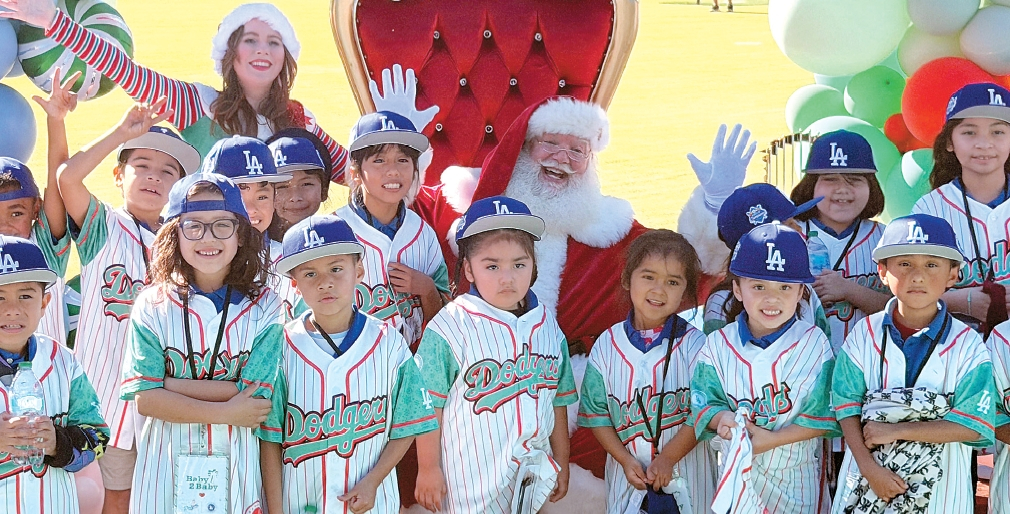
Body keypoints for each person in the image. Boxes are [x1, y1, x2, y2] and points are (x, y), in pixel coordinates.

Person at [1, 1, 350, 180]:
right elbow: (125, 70)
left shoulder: (299, 121)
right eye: (250, 40)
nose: (262, 50)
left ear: (285, 57)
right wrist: (53, 22)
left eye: (274, 42)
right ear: (231, 53)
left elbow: (351, 171)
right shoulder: (197, 104)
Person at [57, 100, 201, 512]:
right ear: (119, 175)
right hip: (100, 401)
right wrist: (121, 133)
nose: (154, 176)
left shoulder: (189, 244)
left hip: (161, 401)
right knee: (106, 499)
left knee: (156, 498)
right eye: (142, 165)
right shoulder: (106, 225)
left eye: (168, 170)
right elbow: (68, 178)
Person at [120, 173, 283, 513]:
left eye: (222, 225)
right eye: (193, 226)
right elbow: (146, 401)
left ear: (241, 234)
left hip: (235, 471)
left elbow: (257, 397)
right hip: (162, 475)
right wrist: (227, 408)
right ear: (173, 234)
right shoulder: (152, 305)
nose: (208, 238)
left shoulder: (266, 304)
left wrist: (166, 386)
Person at [261, 214, 437, 514]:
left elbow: (408, 424)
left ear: (360, 270)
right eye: (310, 274)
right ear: (295, 284)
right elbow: (270, 441)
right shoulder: (280, 347)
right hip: (300, 501)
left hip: (372, 502)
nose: (326, 282)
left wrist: (374, 480)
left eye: (336, 268)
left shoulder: (388, 342)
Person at [414, 196, 578, 513]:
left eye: (519, 264)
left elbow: (558, 400)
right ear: (468, 270)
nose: (507, 277)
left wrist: (563, 460)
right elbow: (427, 407)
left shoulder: (546, 324)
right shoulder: (450, 327)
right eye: (492, 266)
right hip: (472, 480)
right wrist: (428, 467)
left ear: (534, 267)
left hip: (535, 473)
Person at [831, 214, 996, 513]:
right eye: (904, 264)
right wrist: (870, 470)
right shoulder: (863, 334)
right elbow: (846, 408)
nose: (917, 276)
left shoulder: (968, 344)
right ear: (882, 271)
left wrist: (895, 430)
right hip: (867, 484)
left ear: (953, 275)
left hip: (942, 496)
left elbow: (974, 425)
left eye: (932, 264)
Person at [691, 223, 838, 512]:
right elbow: (702, 403)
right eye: (758, 286)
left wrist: (773, 439)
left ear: (800, 293)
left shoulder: (813, 342)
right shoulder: (718, 344)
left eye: (785, 287)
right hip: (737, 477)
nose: (772, 299)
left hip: (797, 479)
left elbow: (822, 415)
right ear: (737, 289)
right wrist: (722, 419)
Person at [578, 229, 717, 513]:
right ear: (627, 279)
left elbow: (704, 415)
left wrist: (667, 457)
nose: (659, 289)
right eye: (648, 276)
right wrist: (624, 460)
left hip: (690, 479)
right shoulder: (607, 345)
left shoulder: (697, 346)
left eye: (672, 282)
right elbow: (597, 416)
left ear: (686, 292)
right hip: (628, 482)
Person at [0, 236, 109, 512]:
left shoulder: (62, 361)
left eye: (25, 295)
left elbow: (98, 437)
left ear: (45, 302)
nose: (12, 309)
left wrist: (58, 443)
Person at [334, 111, 449, 348]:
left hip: (413, 366)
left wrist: (426, 289)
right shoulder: (334, 232)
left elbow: (445, 321)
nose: (393, 170)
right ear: (355, 172)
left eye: (403, 160)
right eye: (379, 160)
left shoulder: (422, 233)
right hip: (353, 370)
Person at [913, 82, 1010, 333]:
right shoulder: (929, 209)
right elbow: (907, 295)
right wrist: (961, 301)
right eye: (969, 132)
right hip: (954, 352)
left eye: (998, 132)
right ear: (949, 142)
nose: (984, 144)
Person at [790, 130, 890, 353]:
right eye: (830, 179)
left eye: (854, 180)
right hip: (799, 367)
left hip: (869, 364)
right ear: (811, 185)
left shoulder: (887, 239)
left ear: (871, 187)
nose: (842, 189)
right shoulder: (787, 234)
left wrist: (849, 290)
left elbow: (905, 310)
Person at [703, 183, 831, 338]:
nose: (799, 229)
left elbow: (825, 349)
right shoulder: (722, 301)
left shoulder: (804, 290)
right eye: (789, 225)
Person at [202, 135, 299, 314]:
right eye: (238, 196)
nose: (251, 210)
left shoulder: (291, 260)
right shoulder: (196, 257)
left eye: (262, 197)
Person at [266, 128, 333, 232]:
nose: (295, 197)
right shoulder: (253, 244)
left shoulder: (335, 237)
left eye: (306, 184)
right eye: (282, 186)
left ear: (324, 191)